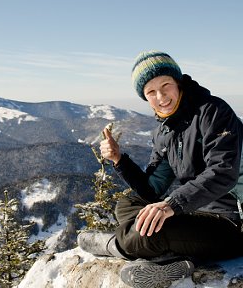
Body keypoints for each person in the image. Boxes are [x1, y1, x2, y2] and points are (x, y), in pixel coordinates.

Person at [78, 50, 243, 288]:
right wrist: (119, 160)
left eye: (165, 85)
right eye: (151, 92)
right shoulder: (165, 132)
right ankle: (178, 260)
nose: (161, 96)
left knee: (148, 232)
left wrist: (171, 205)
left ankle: (117, 245)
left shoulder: (213, 112)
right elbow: (152, 188)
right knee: (127, 204)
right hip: (198, 213)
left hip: (232, 222)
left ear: (178, 82)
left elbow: (223, 172)